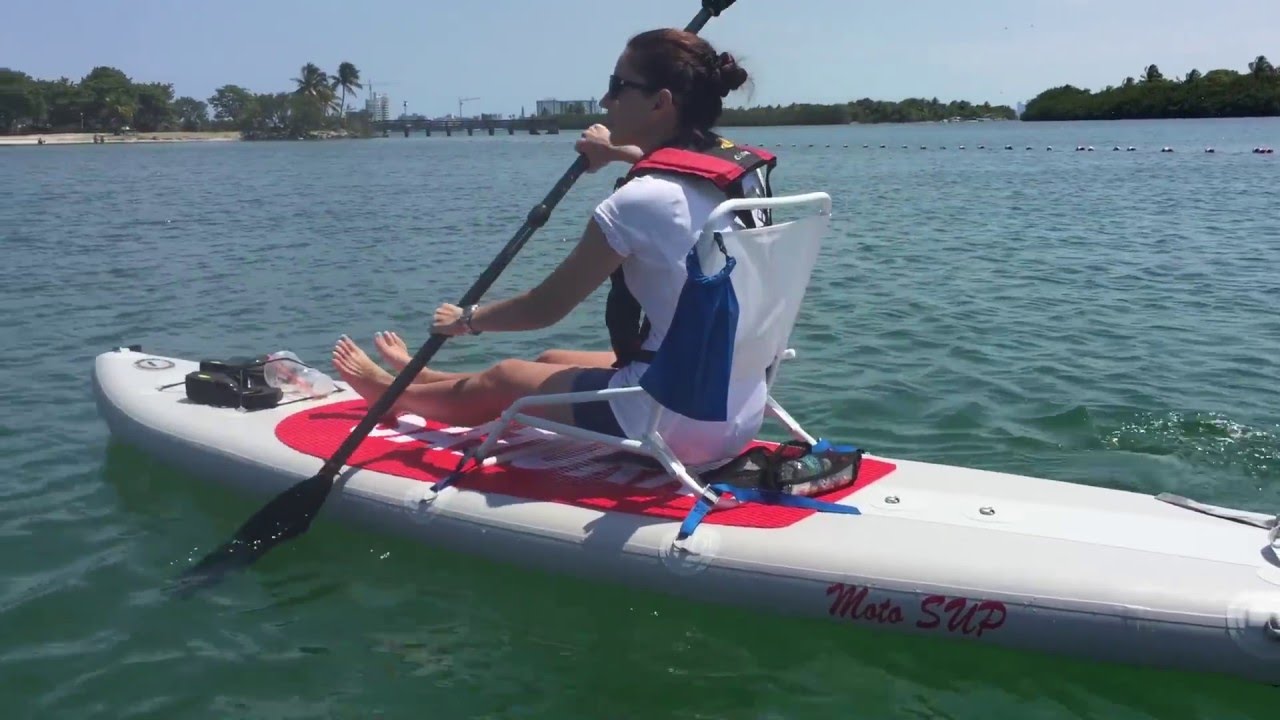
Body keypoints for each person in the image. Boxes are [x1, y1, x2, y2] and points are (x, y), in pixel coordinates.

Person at [332, 27, 777, 465]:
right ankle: (432, 381)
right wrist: (620, 153)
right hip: (737, 400)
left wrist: (467, 320)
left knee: (506, 377)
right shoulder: (741, 175)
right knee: (551, 360)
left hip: (675, 422)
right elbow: (684, 185)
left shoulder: (638, 200)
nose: (605, 102)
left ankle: (398, 397)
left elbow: (546, 307)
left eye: (618, 87)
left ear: (660, 102)